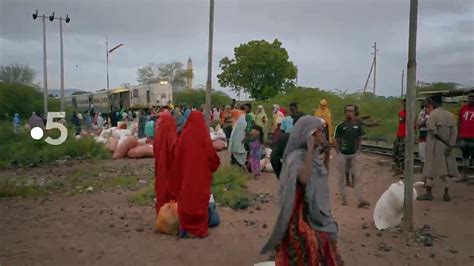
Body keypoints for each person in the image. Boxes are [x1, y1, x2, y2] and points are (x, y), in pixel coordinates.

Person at [261, 116, 343, 265]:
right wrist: (311, 149)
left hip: (312, 207)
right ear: (310, 134)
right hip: (298, 210)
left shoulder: (313, 155)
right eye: (319, 132)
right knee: (308, 240)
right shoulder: (297, 156)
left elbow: (322, 176)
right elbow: (305, 178)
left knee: (325, 236)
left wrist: (324, 155)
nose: (322, 135)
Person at [172, 111, 220, 238]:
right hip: (201, 178)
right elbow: (212, 158)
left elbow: (176, 157)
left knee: (185, 199)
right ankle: (198, 229)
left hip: (186, 178)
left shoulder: (183, 136)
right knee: (201, 201)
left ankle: (185, 228)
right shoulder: (204, 137)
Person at [417, 96, 458, 201]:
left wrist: (443, 141)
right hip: (447, 147)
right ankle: (446, 193)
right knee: (445, 170)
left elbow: (433, 130)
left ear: (433, 103)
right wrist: (450, 145)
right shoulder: (451, 115)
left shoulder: (432, 115)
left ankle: (428, 193)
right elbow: (454, 133)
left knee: (429, 169)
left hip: (434, 145)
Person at [334, 105, 369, 208]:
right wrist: (338, 151)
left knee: (357, 177)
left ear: (354, 112)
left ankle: (360, 199)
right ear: (345, 112)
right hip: (343, 154)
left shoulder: (357, 126)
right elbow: (336, 139)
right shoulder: (340, 126)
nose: (349, 113)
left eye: (351, 111)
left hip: (354, 154)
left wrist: (358, 149)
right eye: (348, 111)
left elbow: (359, 137)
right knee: (341, 177)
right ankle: (343, 198)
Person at [154, 112, 178, 213]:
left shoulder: (158, 134)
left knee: (161, 189)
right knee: (171, 190)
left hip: (160, 167)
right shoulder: (171, 133)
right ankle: (171, 215)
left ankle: (161, 214)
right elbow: (175, 150)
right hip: (170, 168)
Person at [454, 90, 474, 183]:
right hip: (464, 137)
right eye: (470, 97)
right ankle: (464, 175)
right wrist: (458, 135)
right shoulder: (463, 108)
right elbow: (459, 122)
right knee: (465, 157)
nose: (471, 99)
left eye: (473, 97)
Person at [393, 99, 406, 175]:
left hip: (405, 135)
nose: (404, 106)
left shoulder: (410, 113)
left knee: (402, 153)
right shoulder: (400, 113)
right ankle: (398, 169)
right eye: (403, 104)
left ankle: (402, 170)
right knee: (395, 151)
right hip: (399, 134)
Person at [417, 99, 431, 172]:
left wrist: (423, 122)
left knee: (428, 153)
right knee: (422, 152)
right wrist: (424, 122)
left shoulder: (432, 112)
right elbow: (419, 123)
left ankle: (426, 170)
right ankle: (423, 169)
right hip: (422, 134)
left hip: (429, 135)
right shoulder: (422, 112)